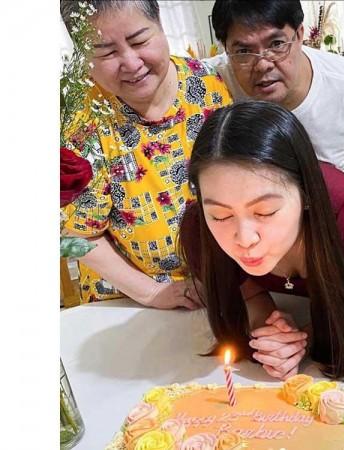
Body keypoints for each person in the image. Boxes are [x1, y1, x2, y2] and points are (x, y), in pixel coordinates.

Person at [179, 101, 344, 382]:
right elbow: (246, 291)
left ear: (305, 192)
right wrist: (273, 332)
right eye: (221, 215)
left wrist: (306, 338)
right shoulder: (200, 230)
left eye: (265, 212)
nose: (245, 239)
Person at [60, 0, 232, 308]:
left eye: (139, 41)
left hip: (221, 280)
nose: (131, 62)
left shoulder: (209, 84)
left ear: (161, 26)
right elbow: (73, 236)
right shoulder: (79, 123)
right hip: (126, 298)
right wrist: (151, 293)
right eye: (106, 52)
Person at [204, 0, 344, 191]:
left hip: (343, 208)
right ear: (226, 48)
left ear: (299, 35)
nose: (263, 64)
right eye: (244, 51)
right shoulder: (210, 80)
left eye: (276, 44)